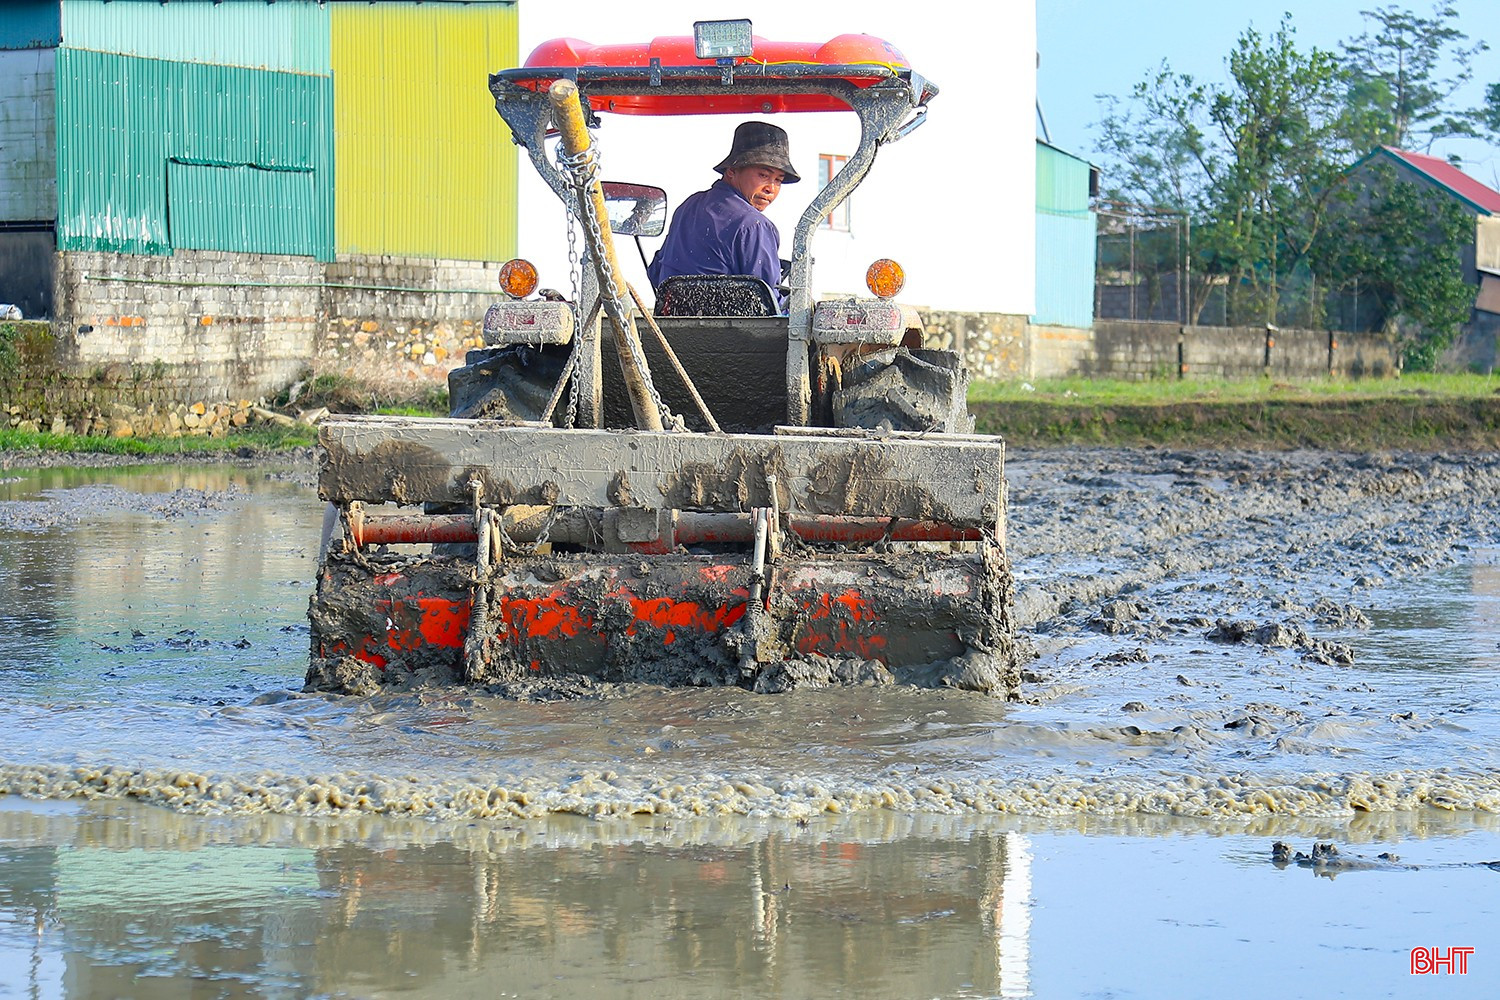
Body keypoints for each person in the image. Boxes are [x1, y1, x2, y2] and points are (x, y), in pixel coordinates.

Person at [647, 121, 799, 309]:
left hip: (673, 327)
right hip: (733, 335)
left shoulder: (687, 207)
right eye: (763, 175)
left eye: (778, 180)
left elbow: (656, 272)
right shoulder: (755, 226)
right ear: (732, 170)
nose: (771, 188)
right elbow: (768, 304)